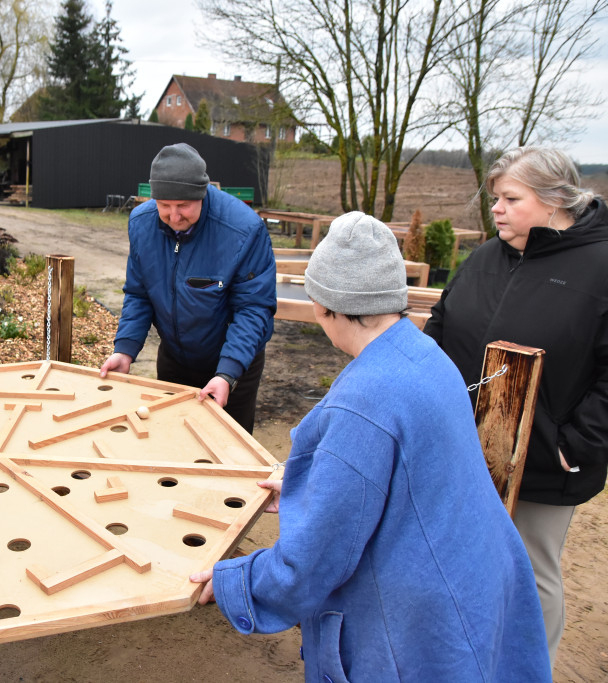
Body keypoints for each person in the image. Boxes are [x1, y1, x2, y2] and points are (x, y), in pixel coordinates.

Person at [190, 212, 551, 681]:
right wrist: (310, 480)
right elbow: (389, 473)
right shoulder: (426, 355)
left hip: (417, 623)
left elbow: (317, 556)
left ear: (325, 307)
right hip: (476, 578)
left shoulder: (364, 401)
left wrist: (235, 582)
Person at [424, 146, 608, 665]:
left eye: (510, 198)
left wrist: (573, 445)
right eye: (495, 198)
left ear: (554, 201)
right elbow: (440, 326)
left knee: (529, 569)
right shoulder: (486, 255)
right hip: (468, 447)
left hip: (548, 461)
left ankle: (528, 666)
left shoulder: (600, 266)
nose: (496, 209)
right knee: (466, 555)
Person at [99, 143, 276, 432]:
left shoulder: (243, 230)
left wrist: (228, 373)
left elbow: (253, 308)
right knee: (171, 439)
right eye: (164, 205)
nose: (174, 215)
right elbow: (139, 293)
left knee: (228, 447)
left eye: (183, 205)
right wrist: (126, 349)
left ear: (202, 194)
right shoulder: (142, 224)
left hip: (231, 361)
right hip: (175, 358)